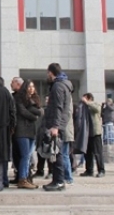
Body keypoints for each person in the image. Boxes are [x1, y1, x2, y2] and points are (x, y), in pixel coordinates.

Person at [40, 63, 73, 192]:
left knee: (57, 153)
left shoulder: (58, 86)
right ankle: (57, 180)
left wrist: (55, 126)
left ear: (51, 72)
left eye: (47, 73)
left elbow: (58, 107)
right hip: (59, 124)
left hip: (57, 125)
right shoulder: (63, 85)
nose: (47, 75)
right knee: (55, 153)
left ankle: (59, 181)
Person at [14, 80, 42, 189]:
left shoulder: (34, 99)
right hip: (22, 130)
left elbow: (40, 111)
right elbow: (22, 111)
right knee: (25, 155)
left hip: (32, 130)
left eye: (33, 86)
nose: (31, 88)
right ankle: (22, 178)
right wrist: (34, 116)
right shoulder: (19, 98)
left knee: (28, 156)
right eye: (29, 86)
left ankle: (25, 178)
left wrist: (33, 111)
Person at [79, 93, 105, 178]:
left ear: (89, 98)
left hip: (95, 132)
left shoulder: (95, 104)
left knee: (98, 152)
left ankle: (101, 170)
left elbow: (97, 109)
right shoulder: (83, 107)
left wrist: (87, 102)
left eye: (84, 98)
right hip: (86, 133)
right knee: (87, 153)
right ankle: (89, 170)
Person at [9, 77, 23, 184]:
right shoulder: (13, 96)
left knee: (22, 154)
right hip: (15, 130)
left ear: (18, 84)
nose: (11, 84)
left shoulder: (22, 96)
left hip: (21, 130)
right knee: (16, 154)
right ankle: (18, 174)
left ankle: (23, 176)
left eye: (13, 82)